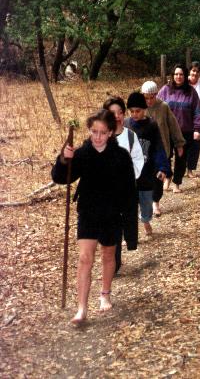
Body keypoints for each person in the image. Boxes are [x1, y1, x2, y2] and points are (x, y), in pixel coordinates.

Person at [51, 109, 138, 324]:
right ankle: (81, 308)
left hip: (112, 214)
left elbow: (129, 193)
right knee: (84, 258)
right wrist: (64, 159)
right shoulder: (82, 153)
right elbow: (61, 178)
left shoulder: (121, 157)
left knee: (108, 256)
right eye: (93, 132)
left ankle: (104, 294)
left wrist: (129, 227)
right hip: (88, 212)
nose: (97, 137)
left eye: (102, 132)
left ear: (110, 133)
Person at [103, 96, 144, 274]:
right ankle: (113, 262)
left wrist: (126, 177)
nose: (118, 116)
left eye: (120, 112)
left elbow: (138, 160)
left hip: (125, 190)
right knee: (111, 229)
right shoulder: (101, 135)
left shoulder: (130, 136)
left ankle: (115, 262)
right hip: (106, 193)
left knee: (122, 226)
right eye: (113, 113)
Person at [125, 91, 170, 235]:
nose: (134, 114)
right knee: (129, 203)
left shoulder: (151, 125)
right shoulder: (125, 124)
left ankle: (145, 219)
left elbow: (158, 147)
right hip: (129, 172)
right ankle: (130, 233)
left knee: (146, 202)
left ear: (144, 109)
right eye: (131, 111)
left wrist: (162, 167)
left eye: (137, 111)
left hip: (146, 171)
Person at [157, 63, 200, 193]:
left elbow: (198, 112)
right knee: (166, 156)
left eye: (181, 74)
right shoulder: (165, 90)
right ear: (173, 76)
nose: (178, 76)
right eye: (176, 74)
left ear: (185, 76)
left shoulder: (191, 92)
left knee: (181, 158)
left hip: (185, 131)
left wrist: (197, 129)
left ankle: (176, 183)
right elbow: (156, 107)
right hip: (167, 131)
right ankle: (168, 176)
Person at [141, 80, 185, 215]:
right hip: (143, 152)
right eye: (146, 98)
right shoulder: (139, 109)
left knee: (158, 179)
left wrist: (179, 143)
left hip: (161, 150)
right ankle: (144, 203)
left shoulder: (163, 107)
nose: (149, 101)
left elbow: (173, 125)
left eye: (152, 97)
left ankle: (155, 203)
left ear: (156, 94)